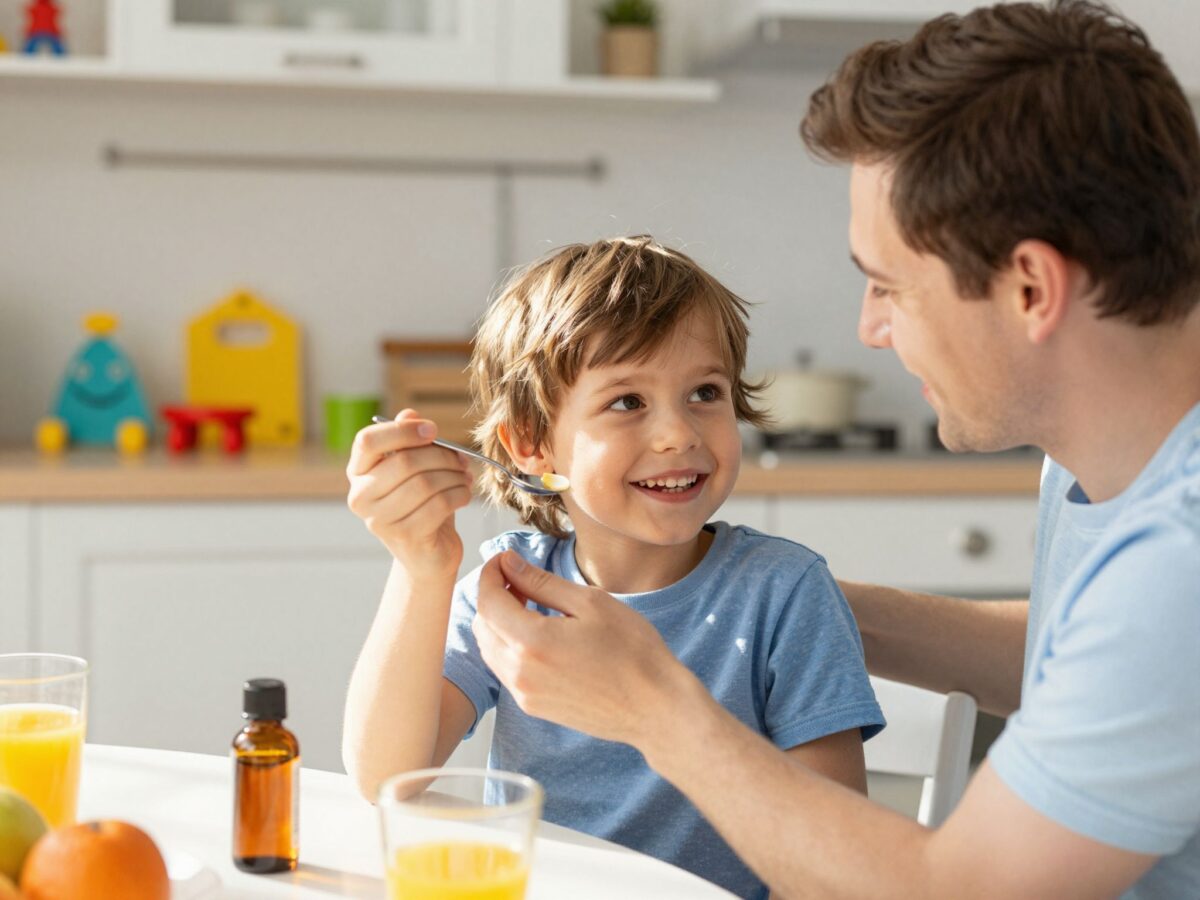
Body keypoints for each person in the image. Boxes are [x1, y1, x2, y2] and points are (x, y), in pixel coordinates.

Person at [467, 3, 1200, 898]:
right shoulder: (1116, 451)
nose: (871, 329)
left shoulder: (1180, 558)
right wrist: (743, 601)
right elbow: (1093, 659)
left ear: (1031, 287)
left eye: (889, 286)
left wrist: (656, 707)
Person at [341, 236, 885, 897]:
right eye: (628, 402)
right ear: (532, 446)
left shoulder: (785, 593)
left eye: (705, 392)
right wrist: (422, 567)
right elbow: (384, 778)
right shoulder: (508, 590)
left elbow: (834, 866)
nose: (679, 433)